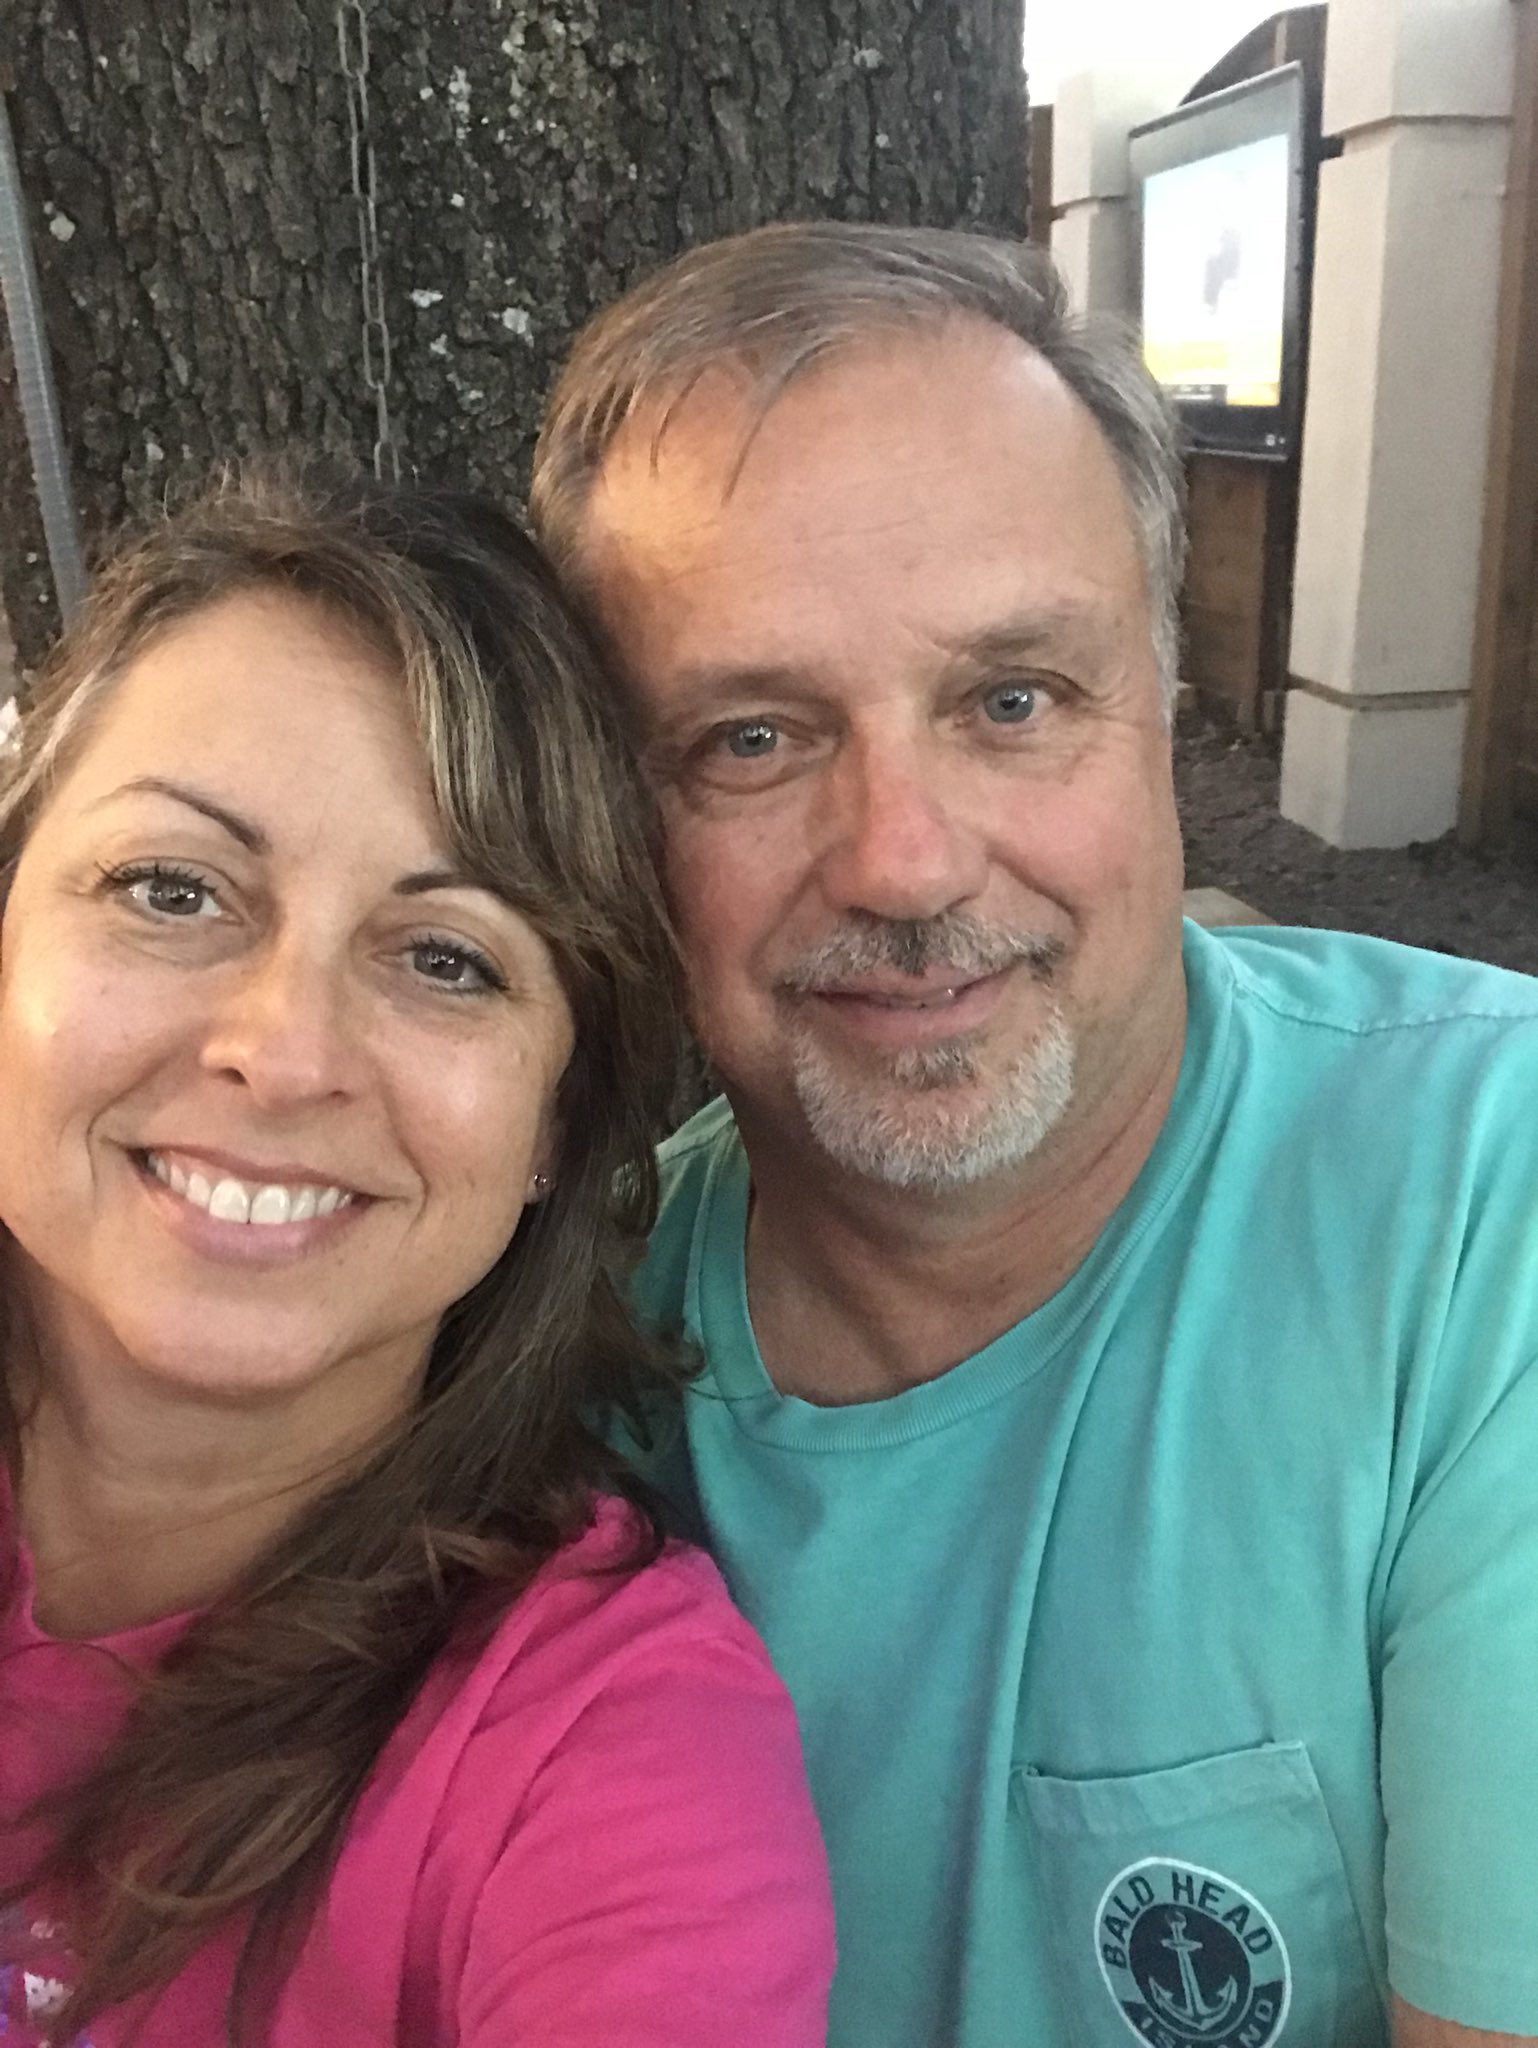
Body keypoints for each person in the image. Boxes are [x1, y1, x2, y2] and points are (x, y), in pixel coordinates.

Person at [530, 221, 1538, 2048]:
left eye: (1011, 701)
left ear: (1160, 713)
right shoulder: (554, 1355)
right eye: (750, 739)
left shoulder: (1487, 1195)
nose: (905, 861)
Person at [0, 463, 834, 2047]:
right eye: (171, 889)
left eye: (446, 959)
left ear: (553, 1126)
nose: (283, 1053)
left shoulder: (605, 1755)